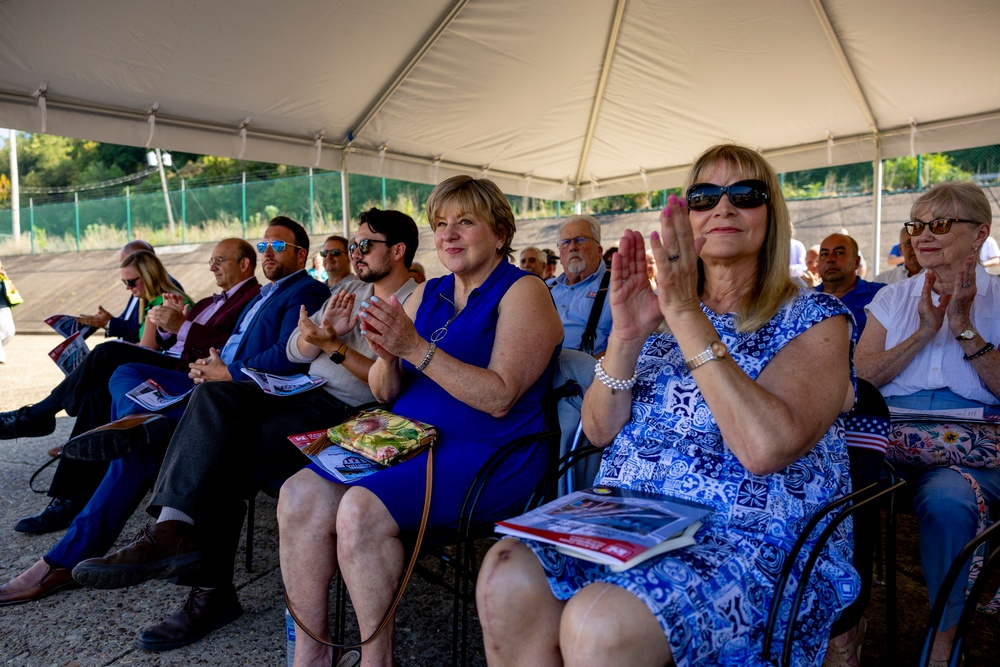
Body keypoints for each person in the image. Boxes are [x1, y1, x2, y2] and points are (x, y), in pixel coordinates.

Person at [476, 143, 858, 667]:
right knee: (504, 574)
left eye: (745, 194)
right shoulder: (661, 317)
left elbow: (764, 448)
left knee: (598, 623)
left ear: (772, 215)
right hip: (630, 519)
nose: (723, 207)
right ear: (687, 216)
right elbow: (597, 429)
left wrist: (684, 312)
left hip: (751, 537)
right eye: (704, 197)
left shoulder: (815, 317)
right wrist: (628, 337)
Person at [44, 210, 419, 654]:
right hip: (298, 390)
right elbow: (294, 347)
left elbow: (387, 386)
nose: (354, 254)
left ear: (397, 251)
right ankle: (171, 525)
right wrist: (318, 336)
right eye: (350, 246)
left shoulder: (414, 301)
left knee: (223, 447)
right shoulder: (348, 290)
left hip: (347, 412)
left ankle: (205, 583)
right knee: (213, 399)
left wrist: (331, 346)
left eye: (364, 246)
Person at [274, 175, 561, 666]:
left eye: (465, 222)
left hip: (487, 451)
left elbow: (499, 397)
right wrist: (387, 357)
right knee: (297, 493)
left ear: (498, 231)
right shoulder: (426, 293)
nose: (449, 234)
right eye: (441, 224)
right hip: (403, 438)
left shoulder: (523, 290)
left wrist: (414, 348)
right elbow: (386, 392)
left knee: (359, 510)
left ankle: (376, 660)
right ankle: (312, 654)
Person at [0, 240, 264, 606]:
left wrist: (181, 327)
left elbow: (239, 353)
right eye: (210, 260)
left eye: (219, 261)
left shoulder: (257, 298)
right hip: (181, 377)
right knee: (115, 378)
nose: (212, 267)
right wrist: (174, 326)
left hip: (203, 386)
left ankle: (62, 545)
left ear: (245, 264)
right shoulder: (205, 302)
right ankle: (122, 432)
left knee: (112, 371)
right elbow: (176, 344)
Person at [855, 182, 1000, 665]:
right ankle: (843, 624)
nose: (923, 235)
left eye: (940, 224)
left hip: (970, 449)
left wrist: (962, 325)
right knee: (822, 483)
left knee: (947, 501)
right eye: (917, 225)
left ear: (980, 233)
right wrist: (922, 333)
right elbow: (859, 380)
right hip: (887, 440)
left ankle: (943, 639)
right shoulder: (894, 299)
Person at [76, 240, 180, 343]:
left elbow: (146, 338)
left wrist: (110, 323)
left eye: (127, 261)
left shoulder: (166, 295)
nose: (127, 287)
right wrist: (106, 321)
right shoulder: (140, 289)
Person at [118, 249, 193, 350]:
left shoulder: (167, 303)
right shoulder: (153, 303)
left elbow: (145, 350)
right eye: (125, 282)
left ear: (149, 277)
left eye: (130, 282)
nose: (127, 287)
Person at [816, 232, 885, 334]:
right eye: (824, 254)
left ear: (856, 262)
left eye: (839, 253)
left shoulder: (882, 295)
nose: (830, 259)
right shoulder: (802, 300)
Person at [0, 258, 18, 364]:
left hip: (5, 308)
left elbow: (13, 290)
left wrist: (6, 277)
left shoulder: (3, 280)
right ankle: (1, 358)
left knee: (10, 332)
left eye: (1, 267)